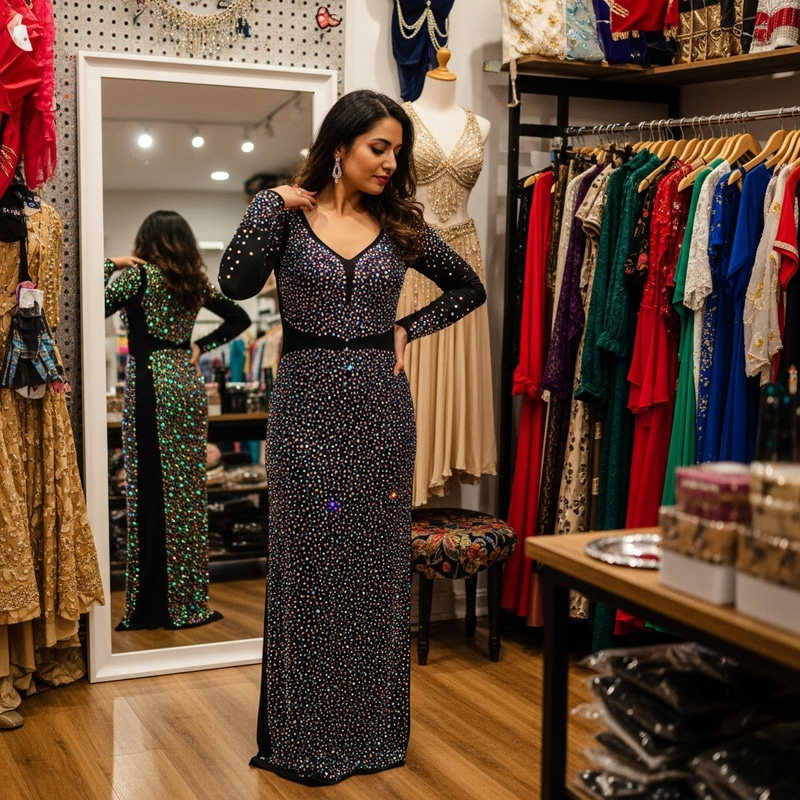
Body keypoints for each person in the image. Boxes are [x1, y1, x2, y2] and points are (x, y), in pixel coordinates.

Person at [218, 88, 486, 785]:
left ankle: (370, 729)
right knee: (309, 564)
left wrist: (407, 327)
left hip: (380, 412)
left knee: (371, 567)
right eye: (379, 148)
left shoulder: (399, 226)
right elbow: (234, 280)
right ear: (339, 146)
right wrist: (268, 204)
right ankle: (304, 734)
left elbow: (467, 288)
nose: (391, 163)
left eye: (398, 151)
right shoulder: (286, 218)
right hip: (305, 411)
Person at [104, 210, 251, 630]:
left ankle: (154, 603)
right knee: (185, 493)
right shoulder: (193, 283)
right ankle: (186, 599)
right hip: (187, 383)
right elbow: (239, 319)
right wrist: (201, 346)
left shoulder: (138, 277)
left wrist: (110, 264)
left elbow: (86, 306)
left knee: (151, 488)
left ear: (146, 240)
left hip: (151, 383)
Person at [399, 47, 498, 505]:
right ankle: (408, 479)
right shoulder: (399, 119)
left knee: (453, 375)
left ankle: (444, 466)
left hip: (463, 252)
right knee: (411, 370)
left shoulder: (483, 126)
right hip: (413, 254)